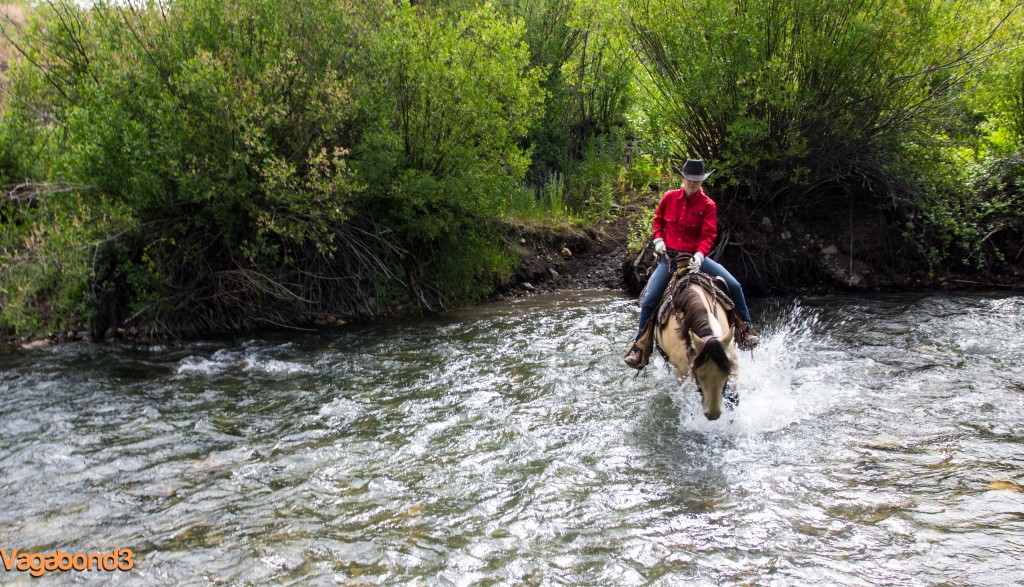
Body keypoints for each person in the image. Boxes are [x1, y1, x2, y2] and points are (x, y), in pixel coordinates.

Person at [624, 159, 759, 369]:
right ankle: (640, 347)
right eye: (689, 180)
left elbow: (708, 234)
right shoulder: (669, 198)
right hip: (669, 260)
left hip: (695, 259)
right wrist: (658, 239)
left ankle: (745, 329)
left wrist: (700, 255)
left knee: (734, 285)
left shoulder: (707, 205)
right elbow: (658, 220)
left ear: (701, 181)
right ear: (683, 178)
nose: (693, 185)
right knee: (650, 298)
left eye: (697, 181)